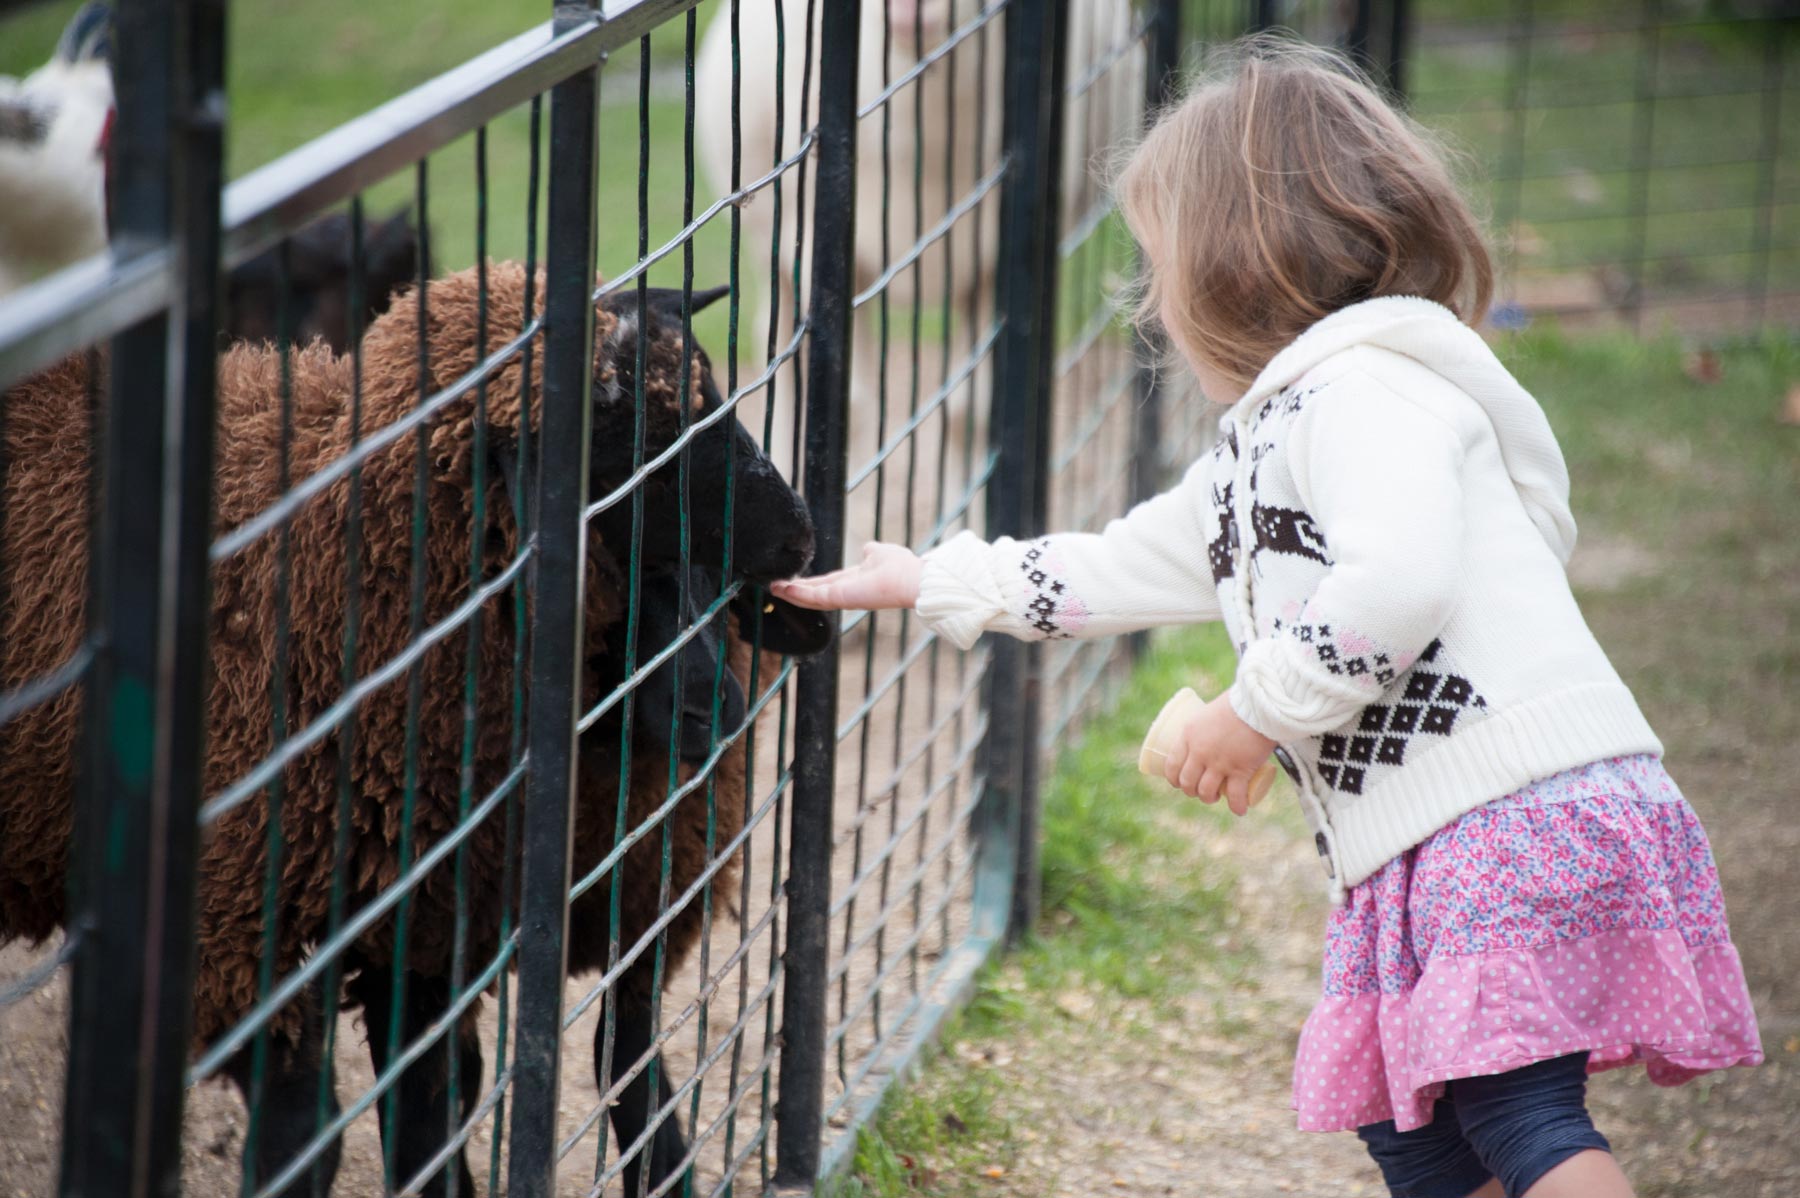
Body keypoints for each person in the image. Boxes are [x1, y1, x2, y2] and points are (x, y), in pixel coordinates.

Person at [772, 36, 1763, 1198]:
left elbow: (1398, 586)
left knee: (1518, 1113)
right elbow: (1115, 565)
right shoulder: (1265, 445)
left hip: (1511, 812)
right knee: (1418, 1137)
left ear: (1232, 268)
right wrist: (934, 580)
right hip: (1446, 831)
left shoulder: (1369, 394)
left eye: (1160, 270)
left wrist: (1256, 711)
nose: (1152, 305)